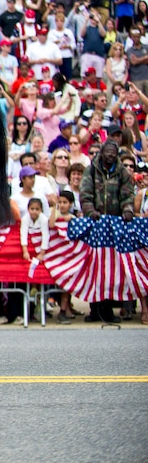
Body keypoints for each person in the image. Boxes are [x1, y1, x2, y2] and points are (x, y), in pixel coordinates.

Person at [79, 138, 133, 324]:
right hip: (95, 225)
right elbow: (85, 194)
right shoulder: (91, 170)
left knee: (111, 270)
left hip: (115, 226)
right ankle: (95, 309)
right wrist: (90, 211)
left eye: (113, 151)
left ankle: (108, 309)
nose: (110, 154)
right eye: (107, 151)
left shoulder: (123, 172)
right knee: (95, 268)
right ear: (101, 152)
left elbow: (127, 195)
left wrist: (127, 210)